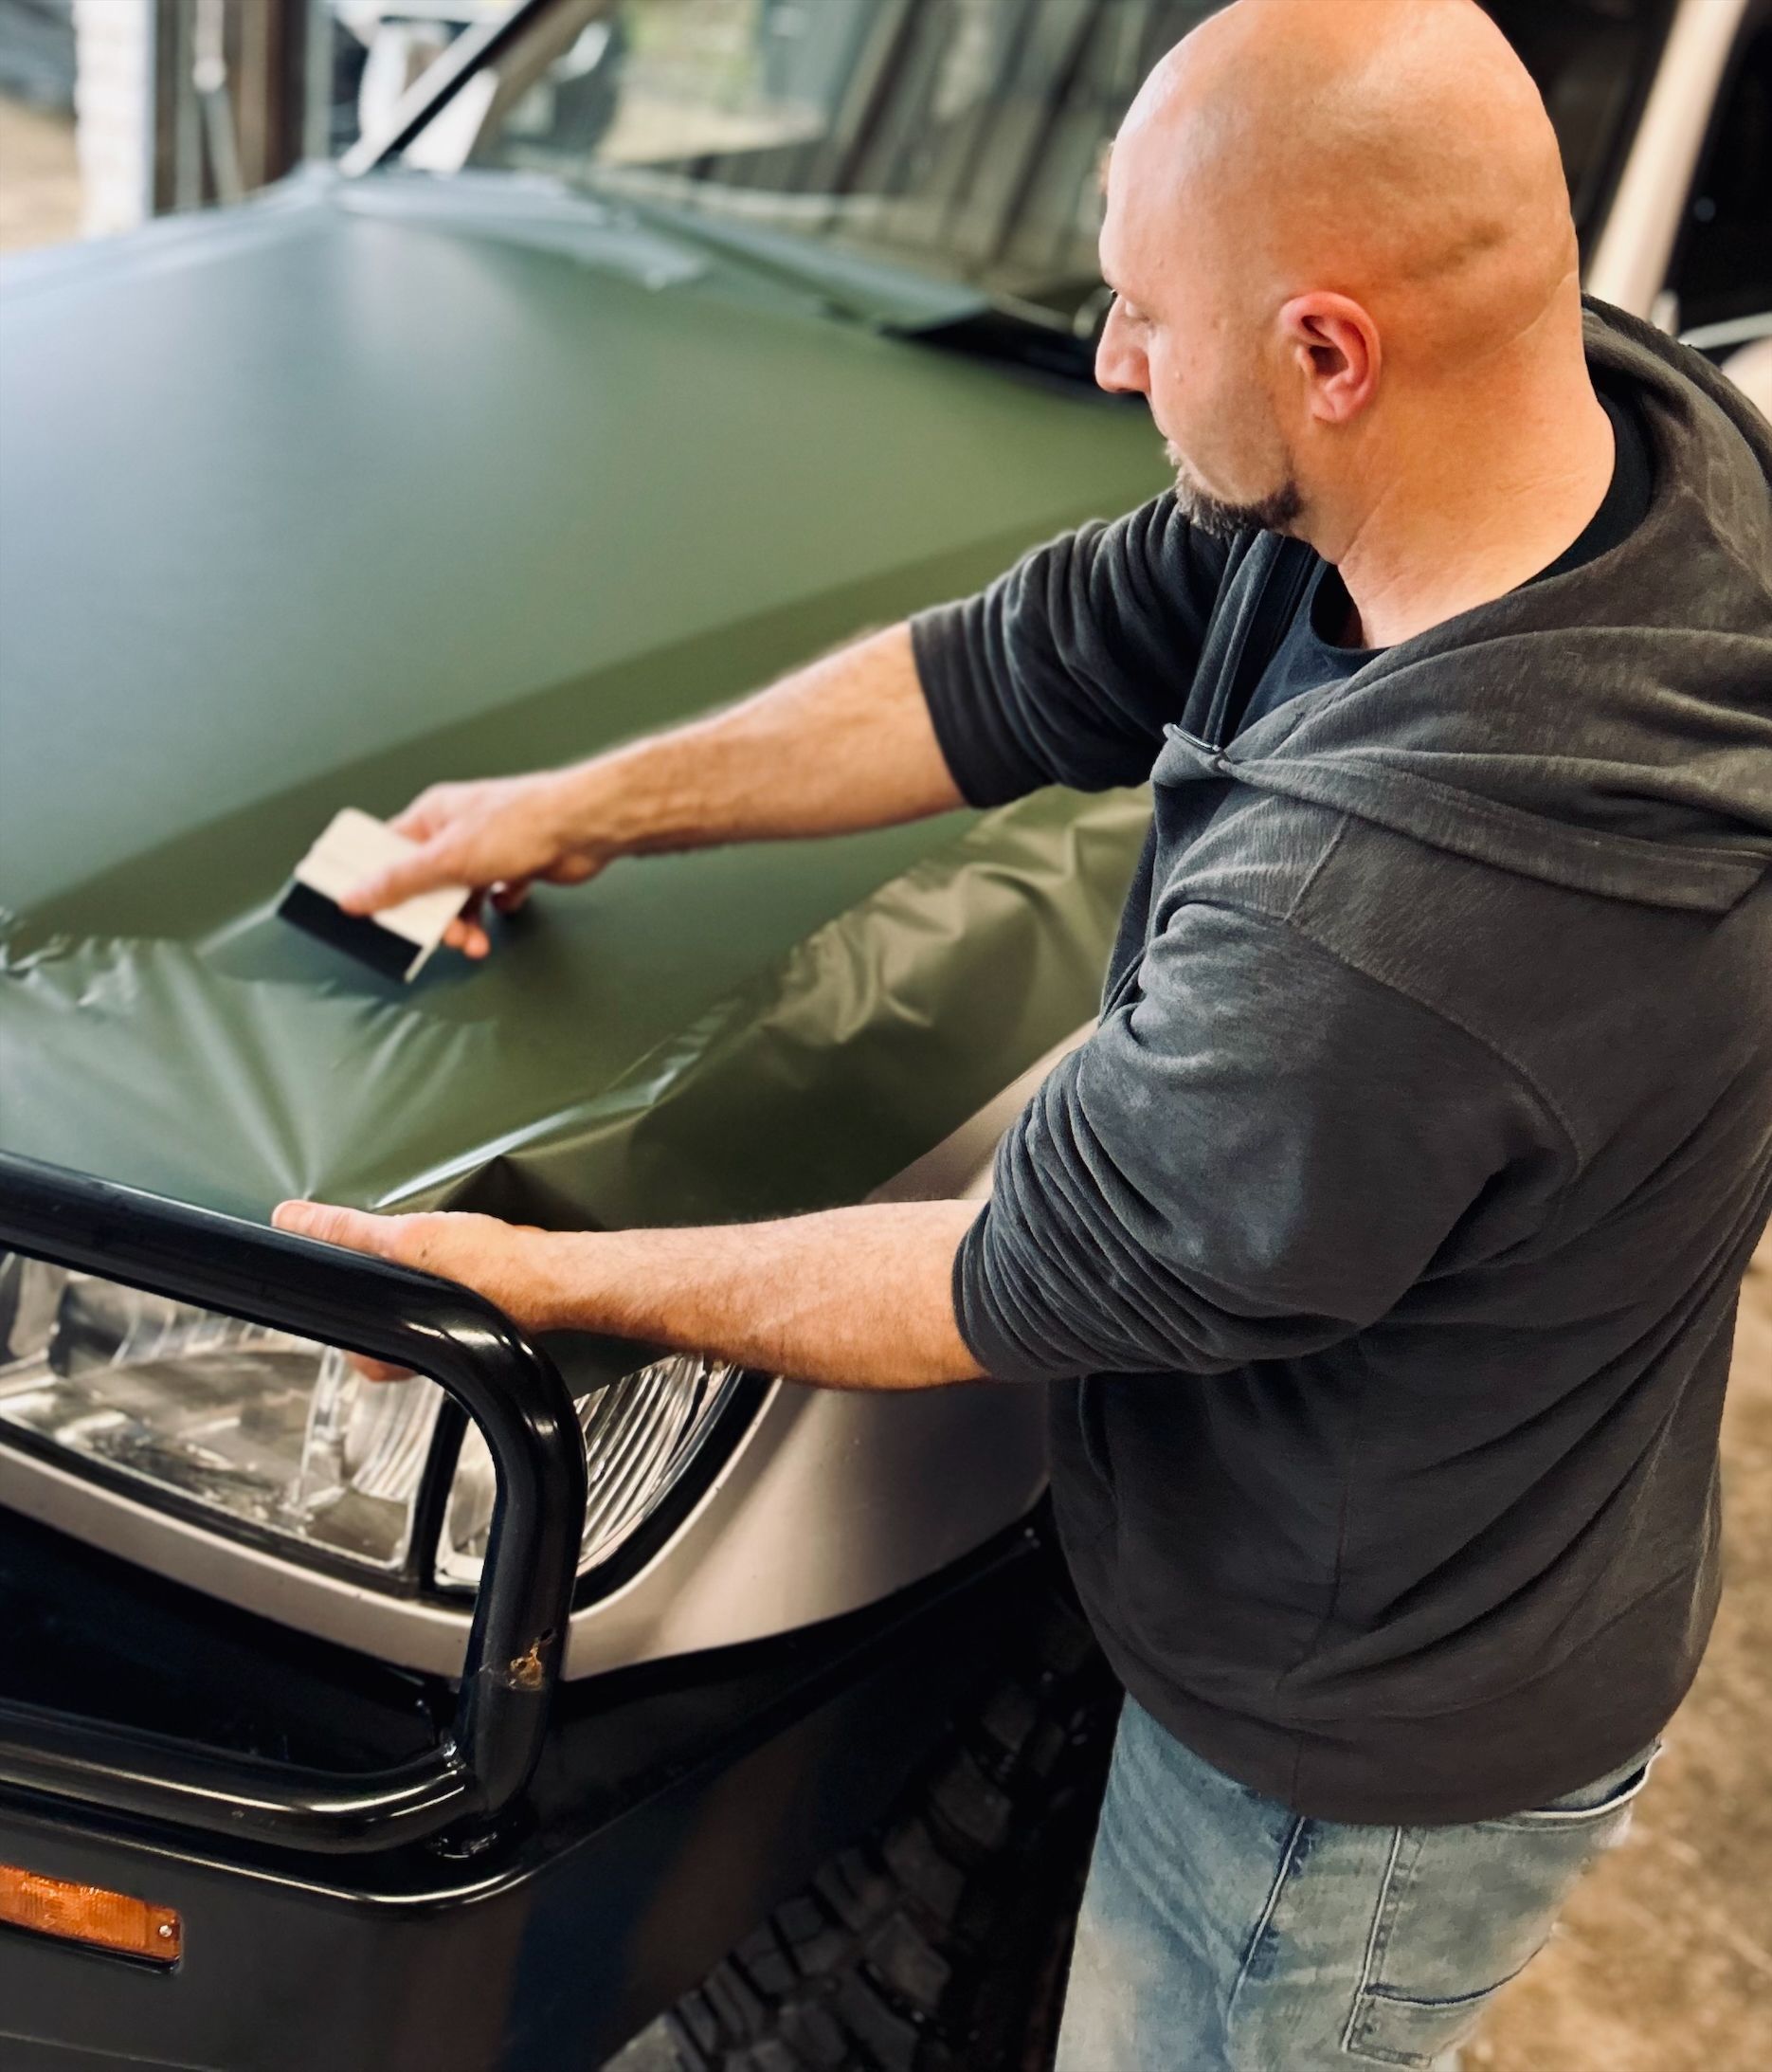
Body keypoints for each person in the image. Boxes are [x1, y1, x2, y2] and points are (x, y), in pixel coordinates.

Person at [274, 0, 1772, 2063]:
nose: (1111, 361)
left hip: (1338, 1778)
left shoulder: (1402, 918)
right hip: (1421, 1513)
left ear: (1329, 354)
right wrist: (580, 807)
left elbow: (993, 1274)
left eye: (1147, 314)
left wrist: (536, 1287)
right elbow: (1011, 666)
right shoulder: (1596, 436)